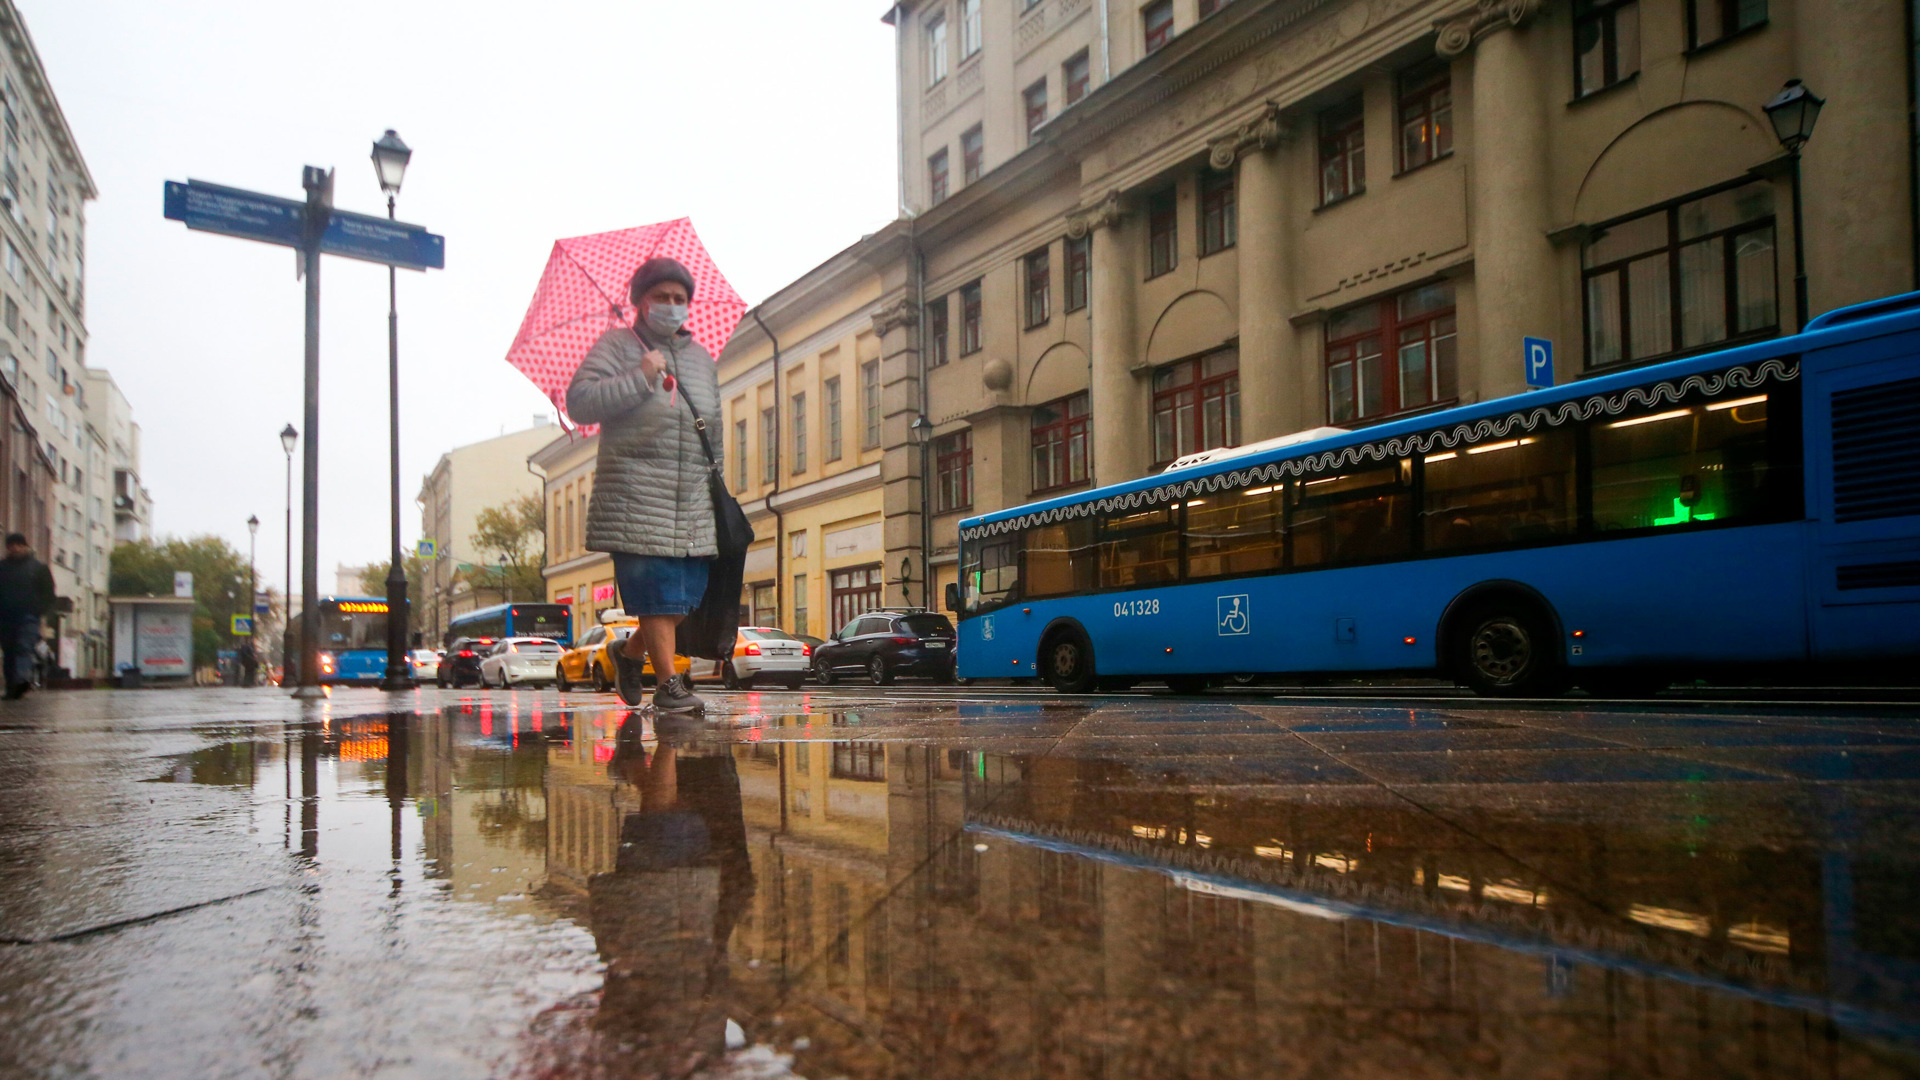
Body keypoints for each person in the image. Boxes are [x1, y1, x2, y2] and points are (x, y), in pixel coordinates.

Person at [567, 257, 722, 713]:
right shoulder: (616, 346)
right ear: (640, 302)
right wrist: (641, 376)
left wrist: (718, 485)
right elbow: (580, 401)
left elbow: (712, 425)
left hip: (692, 495)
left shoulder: (700, 359)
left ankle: (629, 653)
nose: (672, 307)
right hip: (634, 494)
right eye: (662, 298)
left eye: (680, 299)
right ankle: (669, 686)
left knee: (684, 600)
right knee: (657, 594)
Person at [0, 533, 55, 699]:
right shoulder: (2, 568)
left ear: (25, 546)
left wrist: (42, 615)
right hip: (5, 618)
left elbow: (49, 595)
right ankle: (12, 688)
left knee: (23, 647)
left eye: (18, 545)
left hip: (29, 617)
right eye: (11, 545)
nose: (15, 548)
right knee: (9, 652)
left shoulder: (39, 568)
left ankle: (22, 678)